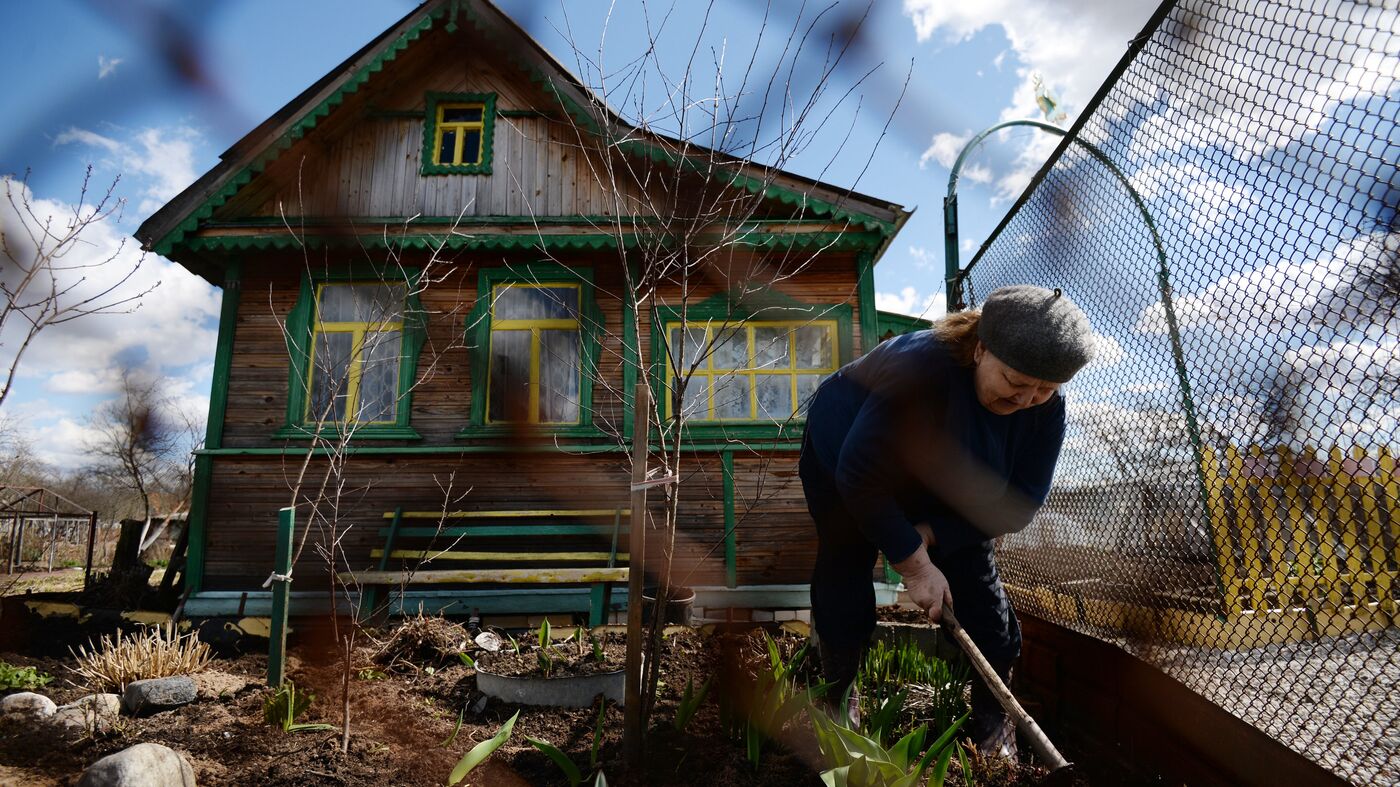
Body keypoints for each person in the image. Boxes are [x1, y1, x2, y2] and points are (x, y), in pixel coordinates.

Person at [799, 284, 1094, 756]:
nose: (1025, 399)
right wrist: (914, 563)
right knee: (846, 562)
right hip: (847, 460)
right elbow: (860, 473)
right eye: (1015, 382)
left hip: (946, 487)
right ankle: (837, 693)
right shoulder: (920, 369)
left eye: (1044, 389)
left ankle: (993, 722)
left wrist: (936, 533)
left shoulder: (1045, 411)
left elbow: (1018, 503)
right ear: (980, 349)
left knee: (980, 598)